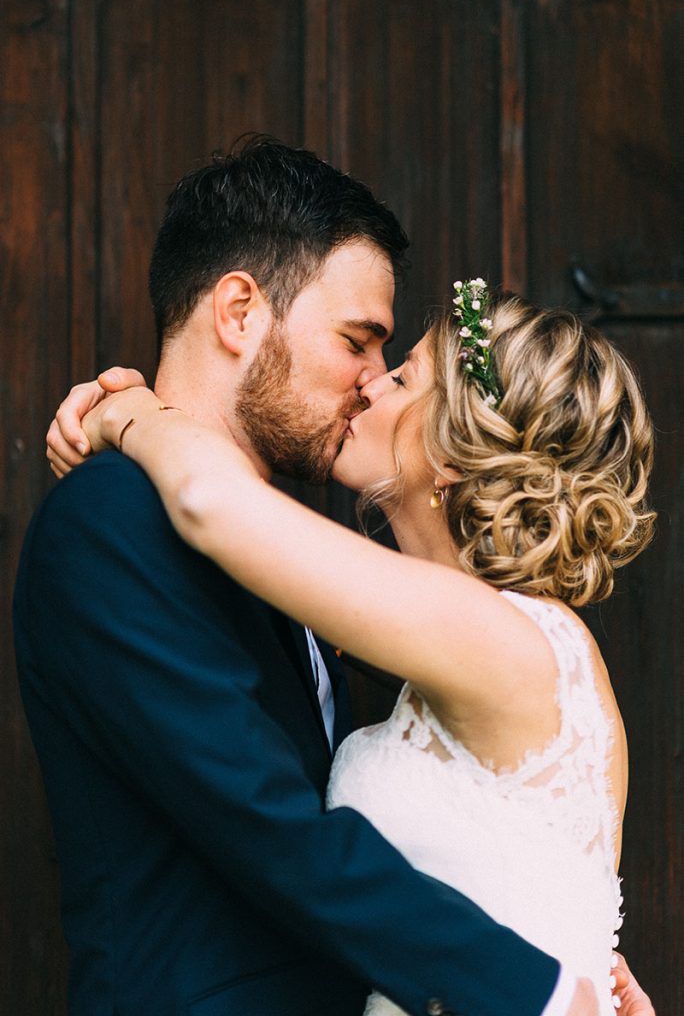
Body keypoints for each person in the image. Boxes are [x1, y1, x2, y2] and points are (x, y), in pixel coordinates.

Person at [16, 138, 602, 1016]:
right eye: (358, 342)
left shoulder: (288, 550)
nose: (372, 385)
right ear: (240, 313)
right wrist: (542, 987)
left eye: (392, 362)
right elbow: (265, 822)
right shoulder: (110, 524)